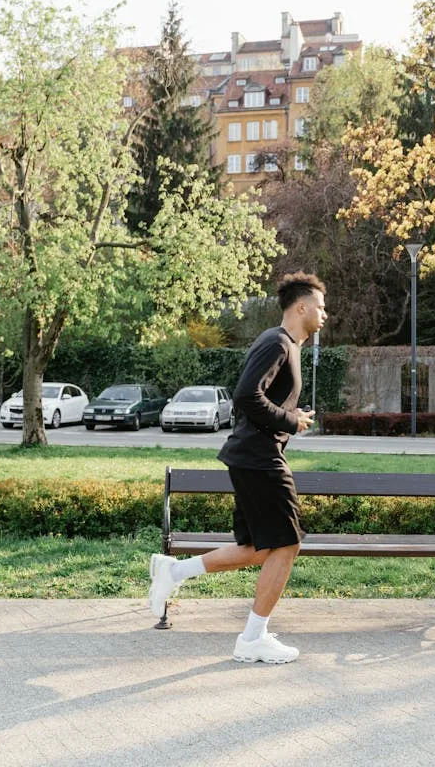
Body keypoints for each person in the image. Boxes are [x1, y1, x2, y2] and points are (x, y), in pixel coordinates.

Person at [149, 272, 327, 664]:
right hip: (259, 457)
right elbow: (246, 395)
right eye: (320, 306)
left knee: (256, 548)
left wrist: (290, 416)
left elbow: (260, 399)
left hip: (252, 456)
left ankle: (173, 573)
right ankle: (252, 639)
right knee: (288, 543)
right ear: (301, 307)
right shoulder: (278, 342)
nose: (324, 314)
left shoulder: (285, 344)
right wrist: (289, 420)